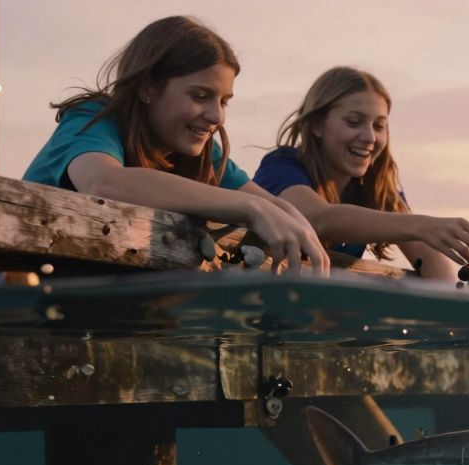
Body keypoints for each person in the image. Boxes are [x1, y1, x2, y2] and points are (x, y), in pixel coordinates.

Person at [23, 16, 327, 275]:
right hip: (21, 289)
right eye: (199, 96)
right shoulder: (94, 118)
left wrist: (288, 218)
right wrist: (251, 208)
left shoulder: (202, 151)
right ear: (147, 88)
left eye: (224, 101)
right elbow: (103, 182)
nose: (216, 116)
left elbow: (273, 206)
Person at [253, 67, 469, 281]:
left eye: (379, 126)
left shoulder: (376, 186)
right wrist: (422, 225)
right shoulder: (281, 166)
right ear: (317, 125)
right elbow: (316, 219)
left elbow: (427, 258)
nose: (369, 137)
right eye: (354, 122)